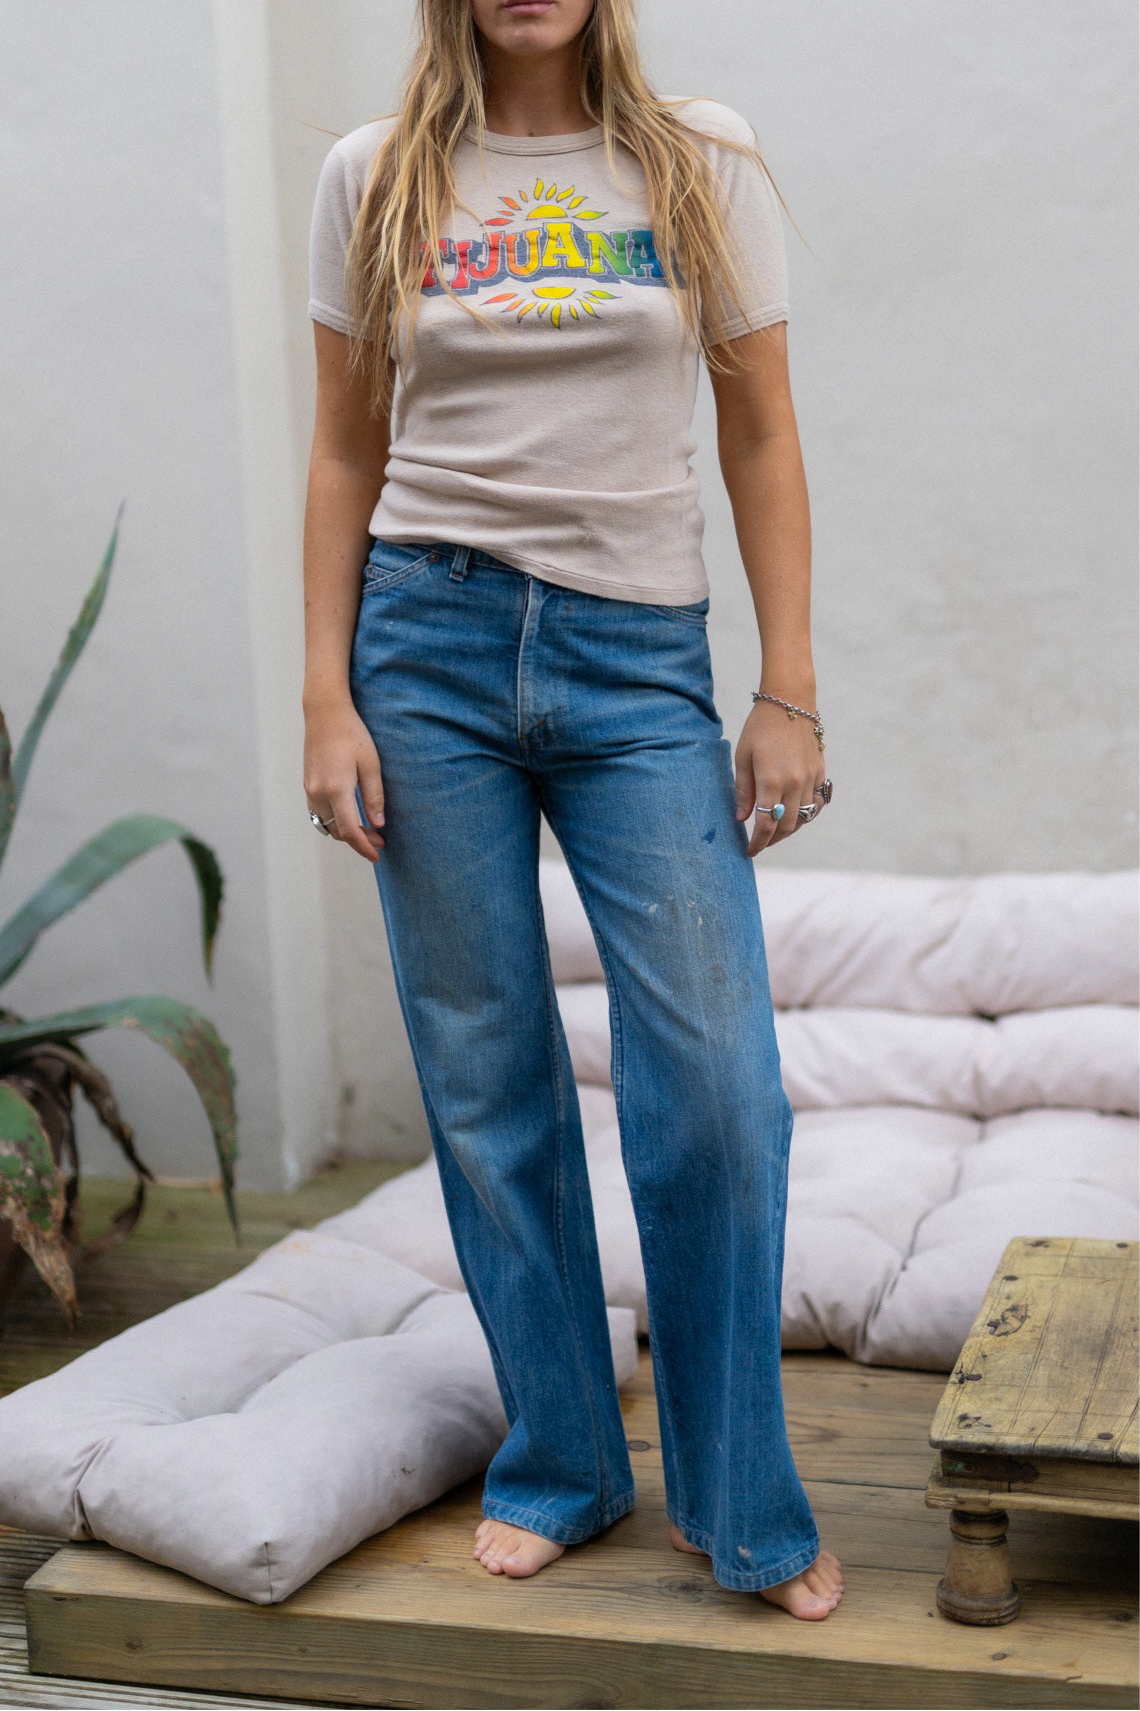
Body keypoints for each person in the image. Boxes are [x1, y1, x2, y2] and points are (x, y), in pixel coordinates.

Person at [302, 0, 843, 1620]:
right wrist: (326, 696)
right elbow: (345, 453)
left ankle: (742, 1499)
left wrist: (789, 685)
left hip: (637, 663)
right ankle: (563, 1459)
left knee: (721, 1088)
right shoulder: (374, 174)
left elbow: (762, 429)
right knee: (488, 1078)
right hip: (425, 648)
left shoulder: (699, 161)